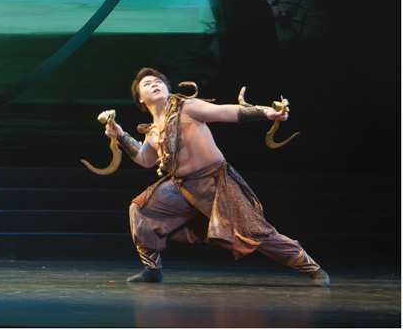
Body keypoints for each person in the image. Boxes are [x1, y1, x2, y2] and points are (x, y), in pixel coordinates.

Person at [105, 67, 329, 286]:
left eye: (158, 81)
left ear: (167, 88)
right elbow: (145, 159)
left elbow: (224, 112)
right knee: (142, 209)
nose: (154, 84)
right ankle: (152, 270)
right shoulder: (153, 130)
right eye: (147, 84)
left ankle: (312, 268)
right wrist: (121, 135)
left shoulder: (187, 107)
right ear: (140, 98)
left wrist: (266, 112)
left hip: (215, 184)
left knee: (254, 232)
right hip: (182, 188)